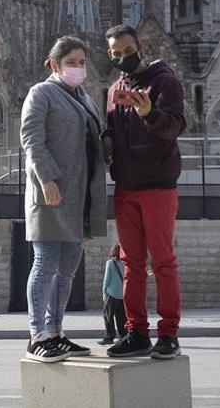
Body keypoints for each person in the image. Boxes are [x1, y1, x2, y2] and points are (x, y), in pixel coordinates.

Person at [101, 24, 186, 360]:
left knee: (163, 262)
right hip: (125, 185)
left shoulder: (164, 80)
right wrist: (106, 141)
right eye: (115, 54)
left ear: (141, 45)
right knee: (131, 264)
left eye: (127, 50)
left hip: (158, 185)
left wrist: (149, 113)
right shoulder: (114, 89)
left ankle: (168, 334)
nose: (122, 57)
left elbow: (175, 125)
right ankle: (136, 332)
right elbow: (113, 128)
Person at [20, 36, 107, 363]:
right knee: (45, 263)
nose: (79, 67)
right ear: (55, 65)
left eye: (83, 62)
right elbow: (31, 137)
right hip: (50, 191)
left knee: (68, 268)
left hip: (80, 195)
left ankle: (56, 333)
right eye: (72, 62)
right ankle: (36, 335)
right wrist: (46, 178)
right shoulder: (41, 93)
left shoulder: (85, 98)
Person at [98, 244, 127, 345]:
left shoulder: (110, 263)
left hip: (112, 294)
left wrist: (104, 292)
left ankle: (109, 337)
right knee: (121, 317)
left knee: (107, 315)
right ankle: (124, 336)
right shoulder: (125, 264)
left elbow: (107, 279)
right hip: (122, 294)